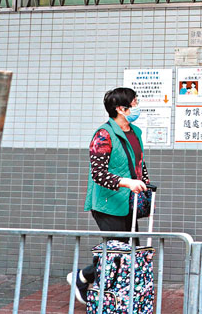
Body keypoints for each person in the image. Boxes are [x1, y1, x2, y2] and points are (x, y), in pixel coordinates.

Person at [66, 87, 150, 304]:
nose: (137, 106)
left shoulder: (135, 132)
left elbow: (139, 165)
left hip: (129, 202)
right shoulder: (103, 135)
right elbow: (98, 174)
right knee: (117, 252)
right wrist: (127, 182)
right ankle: (86, 279)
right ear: (121, 109)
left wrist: (146, 191)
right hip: (107, 203)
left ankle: (108, 291)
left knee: (129, 252)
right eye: (134, 103)